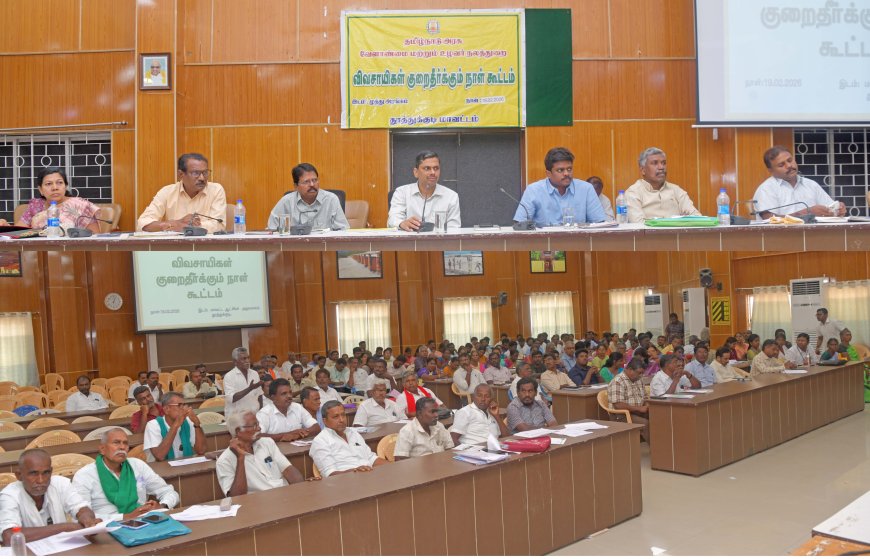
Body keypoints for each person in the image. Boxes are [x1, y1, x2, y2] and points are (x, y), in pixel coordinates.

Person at [71, 428, 179, 521]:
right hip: (106, 528)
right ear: (102, 449)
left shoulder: (137, 466)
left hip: (144, 521)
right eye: (116, 443)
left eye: (125, 443)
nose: (122, 447)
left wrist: (162, 506)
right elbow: (81, 517)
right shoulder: (85, 475)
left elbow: (169, 492)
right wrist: (125, 517)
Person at [0, 449, 97, 545]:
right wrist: (66, 528)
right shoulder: (9, 495)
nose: (40, 480)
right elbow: (9, 536)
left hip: (61, 548)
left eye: (46, 473)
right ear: (19, 475)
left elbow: (81, 507)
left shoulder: (61, 484)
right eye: (33, 473)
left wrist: (87, 519)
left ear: (51, 472)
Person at [215, 411, 305, 496]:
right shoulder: (224, 461)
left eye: (258, 424)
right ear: (238, 431)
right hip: (258, 502)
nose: (259, 428)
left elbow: (288, 470)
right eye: (254, 426)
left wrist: (302, 490)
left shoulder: (267, 442)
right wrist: (240, 459)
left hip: (284, 495)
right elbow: (236, 497)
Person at [513, 147, 606, 227]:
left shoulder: (586, 189)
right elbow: (520, 224)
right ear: (548, 173)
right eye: (560, 170)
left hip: (578, 241)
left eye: (569, 169)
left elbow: (599, 224)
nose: (566, 174)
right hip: (544, 242)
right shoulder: (533, 190)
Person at [136, 153, 227, 233]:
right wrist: (174, 223)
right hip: (174, 245)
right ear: (181, 174)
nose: (202, 178)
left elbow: (219, 225)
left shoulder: (216, 190)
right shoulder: (167, 192)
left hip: (205, 245)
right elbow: (142, 223)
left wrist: (184, 227)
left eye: (205, 173)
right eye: (196, 173)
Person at [754, 146, 845, 219]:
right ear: (771, 170)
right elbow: (768, 219)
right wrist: (806, 213)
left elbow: (829, 208)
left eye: (790, 160)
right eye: (781, 165)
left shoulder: (811, 185)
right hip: (780, 236)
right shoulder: (766, 189)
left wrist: (837, 209)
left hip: (814, 234)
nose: (789, 166)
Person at [12, 167, 101, 234]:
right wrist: (6, 227)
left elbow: (94, 236)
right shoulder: (35, 206)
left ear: (65, 186)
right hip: (38, 250)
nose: (55, 188)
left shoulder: (80, 205)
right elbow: (18, 232)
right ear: (40, 189)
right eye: (48, 184)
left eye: (59, 183)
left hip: (72, 251)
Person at [388, 151, 461, 231]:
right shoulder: (401, 193)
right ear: (416, 172)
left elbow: (454, 229)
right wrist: (402, 223)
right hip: (410, 238)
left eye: (436, 168)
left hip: (439, 239)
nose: (433, 172)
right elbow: (392, 220)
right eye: (427, 168)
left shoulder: (451, 196)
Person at [310, 401, 386, 477]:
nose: (341, 420)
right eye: (336, 417)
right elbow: (329, 474)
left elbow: (371, 458)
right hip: (346, 480)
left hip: (369, 474)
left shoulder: (353, 432)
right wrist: (355, 471)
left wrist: (391, 466)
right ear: (325, 421)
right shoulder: (320, 441)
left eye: (343, 415)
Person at [624, 147, 701, 223]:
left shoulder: (676, 190)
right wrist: (679, 222)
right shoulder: (633, 193)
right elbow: (638, 225)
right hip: (650, 232)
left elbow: (697, 218)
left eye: (663, 163)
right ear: (643, 170)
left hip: (678, 232)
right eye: (655, 163)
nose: (661, 167)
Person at [266, 162, 349, 231]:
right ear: (296, 186)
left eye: (315, 180)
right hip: (295, 245)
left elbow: (343, 230)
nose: (312, 184)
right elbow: (271, 230)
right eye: (306, 182)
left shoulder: (331, 199)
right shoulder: (286, 201)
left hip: (325, 245)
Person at [142, 392, 205, 462]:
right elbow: (160, 456)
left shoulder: (188, 421)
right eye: (180, 405)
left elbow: (201, 451)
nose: (184, 409)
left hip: (185, 466)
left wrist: (197, 424)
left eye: (184, 405)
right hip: (161, 468)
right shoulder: (153, 425)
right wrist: (176, 425)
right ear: (166, 409)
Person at [256, 378, 320, 442]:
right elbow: (258, 436)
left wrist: (298, 435)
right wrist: (286, 435)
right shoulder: (264, 413)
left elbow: (316, 427)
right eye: (284, 393)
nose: (289, 396)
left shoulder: (297, 407)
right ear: (273, 398)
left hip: (299, 447)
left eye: (290, 392)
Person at [606, 358, 649, 441]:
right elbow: (618, 405)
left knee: (657, 417)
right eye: (639, 373)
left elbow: (645, 397)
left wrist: (647, 405)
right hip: (621, 415)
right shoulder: (618, 381)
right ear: (630, 370)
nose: (641, 376)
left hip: (638, 411)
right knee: (645, 424)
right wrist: (639, 408)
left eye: (642, 373)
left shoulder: (638, 380)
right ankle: (656, 448)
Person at [223, 347, 263, 417]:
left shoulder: (254, 373)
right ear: (235, 362)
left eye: (248, 358)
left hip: (254, 415)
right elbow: (231, 398)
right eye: (244, 359)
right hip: (236, 417)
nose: (247, 361)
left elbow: (259, 395)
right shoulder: (229, 376)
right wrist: (249, 388)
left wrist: (261, 412)